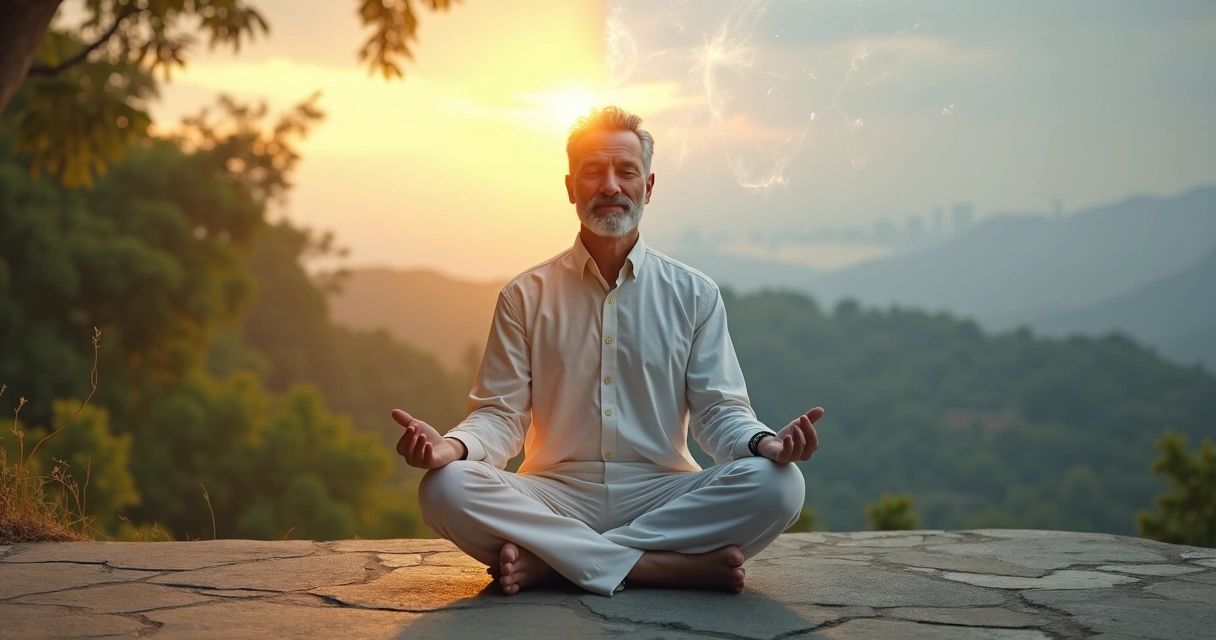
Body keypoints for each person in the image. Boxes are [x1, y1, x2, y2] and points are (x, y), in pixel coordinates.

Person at [392, 105, 823, 597]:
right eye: (594, 173)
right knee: (444, 487)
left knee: (781, 485)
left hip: (663, 493)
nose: (611, 186)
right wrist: (452, 448)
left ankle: (554, 564)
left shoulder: (694, 294)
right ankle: (660, 569)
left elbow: (719, 412)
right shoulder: (524, 295)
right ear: (571, 186)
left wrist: (764, 443)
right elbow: (500, 416)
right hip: (553, 493)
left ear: (650, 186)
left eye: (627, 172)